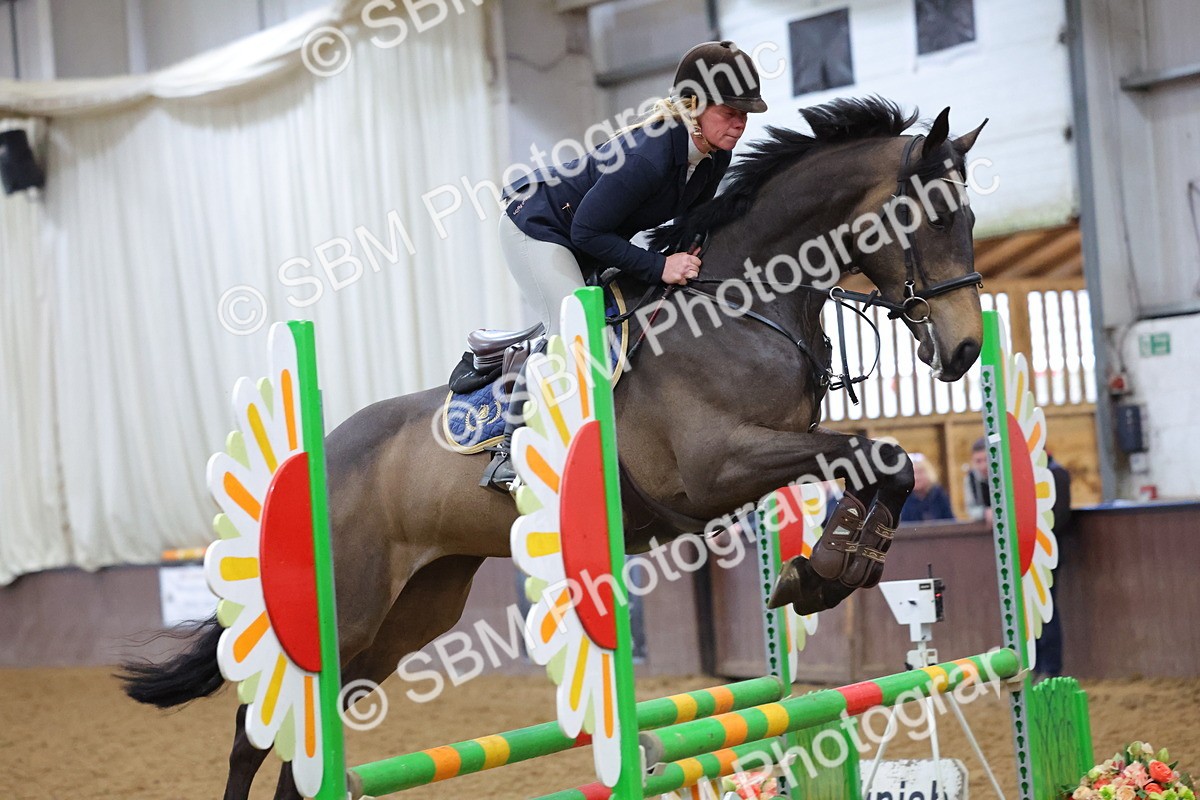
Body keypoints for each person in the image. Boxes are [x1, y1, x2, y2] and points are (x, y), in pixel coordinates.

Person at [483, 40, 769, 489]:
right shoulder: (649, 154)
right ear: (693, 105)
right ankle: (508, 448)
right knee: (574, 331)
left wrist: (691, 252)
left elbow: (692, 224)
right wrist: (659, 267)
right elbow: (587, 233)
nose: (741, 122)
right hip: (538, 227)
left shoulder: (715, 155)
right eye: (730, 111)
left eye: (746, 113)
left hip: (589, 235)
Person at [899, 453, 956, 523]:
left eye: (919, 472)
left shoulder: (938, 494)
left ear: (928, 473)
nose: (916, 478)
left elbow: (950, 520)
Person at [963, 436, 992, 523]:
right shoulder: (970, 478)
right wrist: (985, 513)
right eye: (978, 461)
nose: (983, 466)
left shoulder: (1004, 475)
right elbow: (970, 509)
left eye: (986, 460)